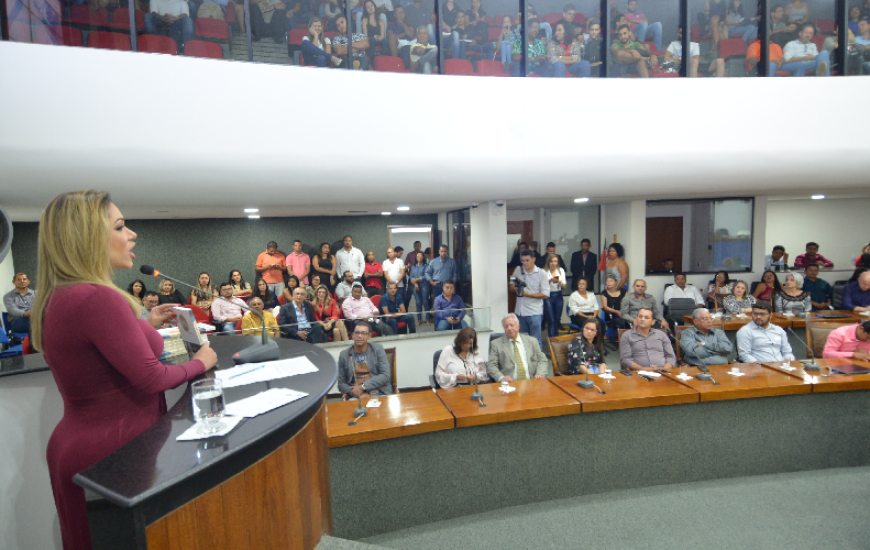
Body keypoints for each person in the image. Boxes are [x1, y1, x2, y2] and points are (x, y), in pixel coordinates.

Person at [32, 190, 217, 550]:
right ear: (88, 238)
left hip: (82, 447)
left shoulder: (65, 295)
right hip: (113, 452)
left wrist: (145, 324)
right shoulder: (97, 298)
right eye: (119, 227)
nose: (132, 234)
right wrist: (201, 363)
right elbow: (150, 378)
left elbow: (102, 351)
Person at [336, 321, 393, 399]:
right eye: (357, 333)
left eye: (363, 333)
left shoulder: (377, 349)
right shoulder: (344, 355)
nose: (359, 336)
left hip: (379, 392)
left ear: (369, 336)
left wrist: (363, 387)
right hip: (356, 396)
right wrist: (354, 392)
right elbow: (341, 384)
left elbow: (385, 375)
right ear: (352, 335)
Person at [486, 314, 548, 382]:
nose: (509, 328)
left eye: (511, 325)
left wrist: (540, 374)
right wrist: (501, 377)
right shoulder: (496, 344)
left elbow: (542, 359)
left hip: (532, 381)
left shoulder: (532, 341)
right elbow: (491, 365)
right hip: (509, 384)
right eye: (506, 326)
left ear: (518, 326)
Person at [510, 250, 549, 345]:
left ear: (533, 259)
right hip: (520, 312)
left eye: (527, 260)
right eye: (523, 261)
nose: (525, 263)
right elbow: (511, 286)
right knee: (522, 341)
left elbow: (546, 294)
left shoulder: (541, 273)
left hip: (534, 312)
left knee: (535, 341)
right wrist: (514, 288)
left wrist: (528, 294)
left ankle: (537, 355)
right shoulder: (518, 270)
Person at [619, 308, 676, 372]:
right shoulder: (627, 336)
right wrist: (644, 369)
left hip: (663, 372)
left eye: (646, 317)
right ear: (636, 319)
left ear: (653, 322)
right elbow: (625, 359)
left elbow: (670, 356)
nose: (642, 319)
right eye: (640, 317)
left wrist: (664, 369)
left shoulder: (661, 335)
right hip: (638, 372)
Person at [542, 254, 567, 338]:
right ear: (548, 262)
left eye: (555, 261)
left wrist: (560, 283)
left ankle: (556, 339)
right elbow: (540, 285)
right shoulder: (543, 271)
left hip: (558, 295)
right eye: (551, 261)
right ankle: (552, 340)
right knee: (551, 319)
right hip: (548, 296)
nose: (553, 263)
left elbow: (564, 285)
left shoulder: (561, 270)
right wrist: (550, 280)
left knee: (557, 319)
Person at [409, 251, 431, 325]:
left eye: (421, 256)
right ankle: (419, 320)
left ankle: (427, 319)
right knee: (418, 303)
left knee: (425, 302)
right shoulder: (413, 266)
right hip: (415, 287)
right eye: (418, 256)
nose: (420, 257)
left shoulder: (426, 265)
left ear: (423, 257)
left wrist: (417, 279)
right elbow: (411, 276)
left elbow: (426, 276)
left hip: (424, 286)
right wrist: (415, 283)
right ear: (416, 258)